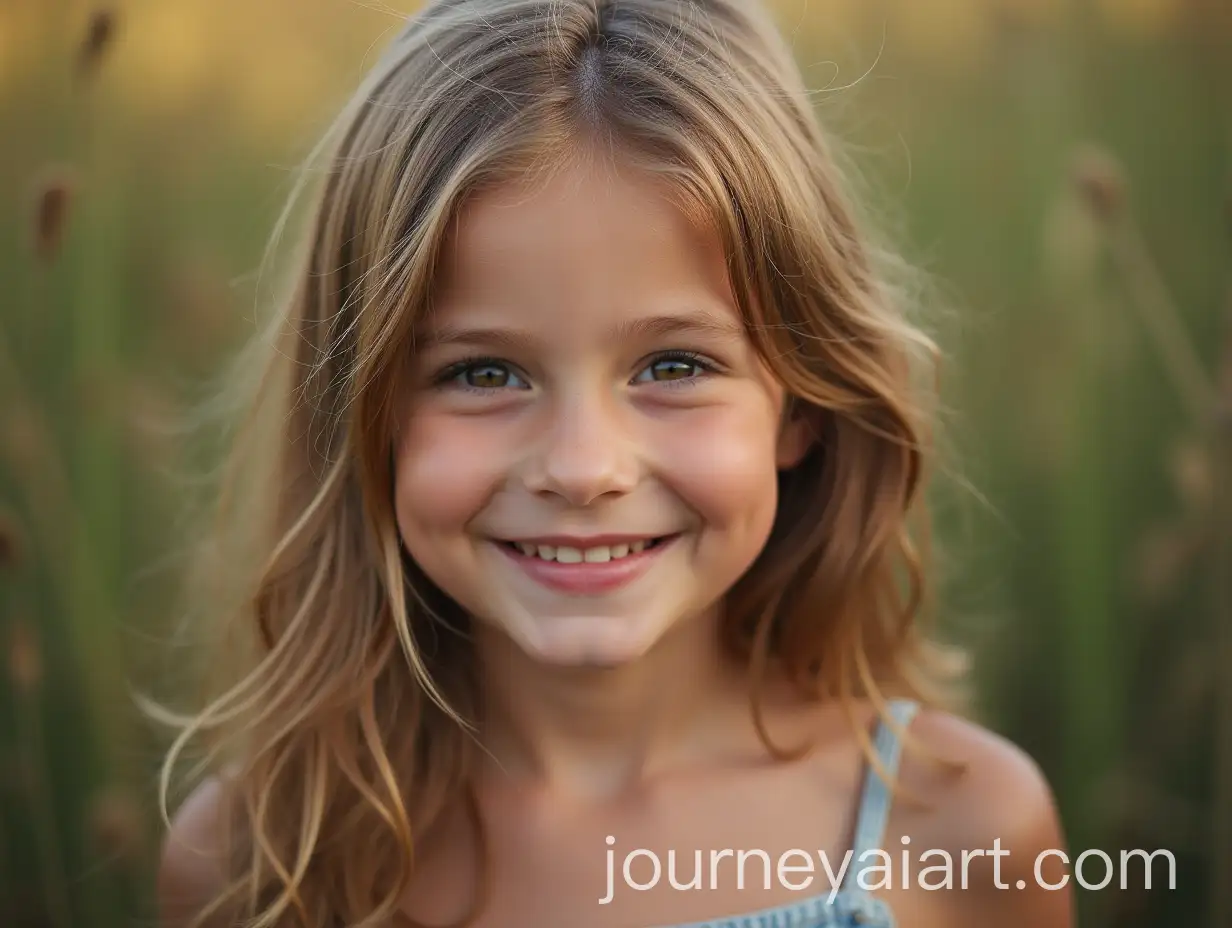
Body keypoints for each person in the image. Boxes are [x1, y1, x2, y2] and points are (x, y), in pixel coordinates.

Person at [153, 0, 1075, 926]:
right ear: (363, 412)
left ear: (801, 403)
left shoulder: (964, 830)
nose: (584, 468)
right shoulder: (256, 857)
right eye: (483, 372)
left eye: (674, 366)